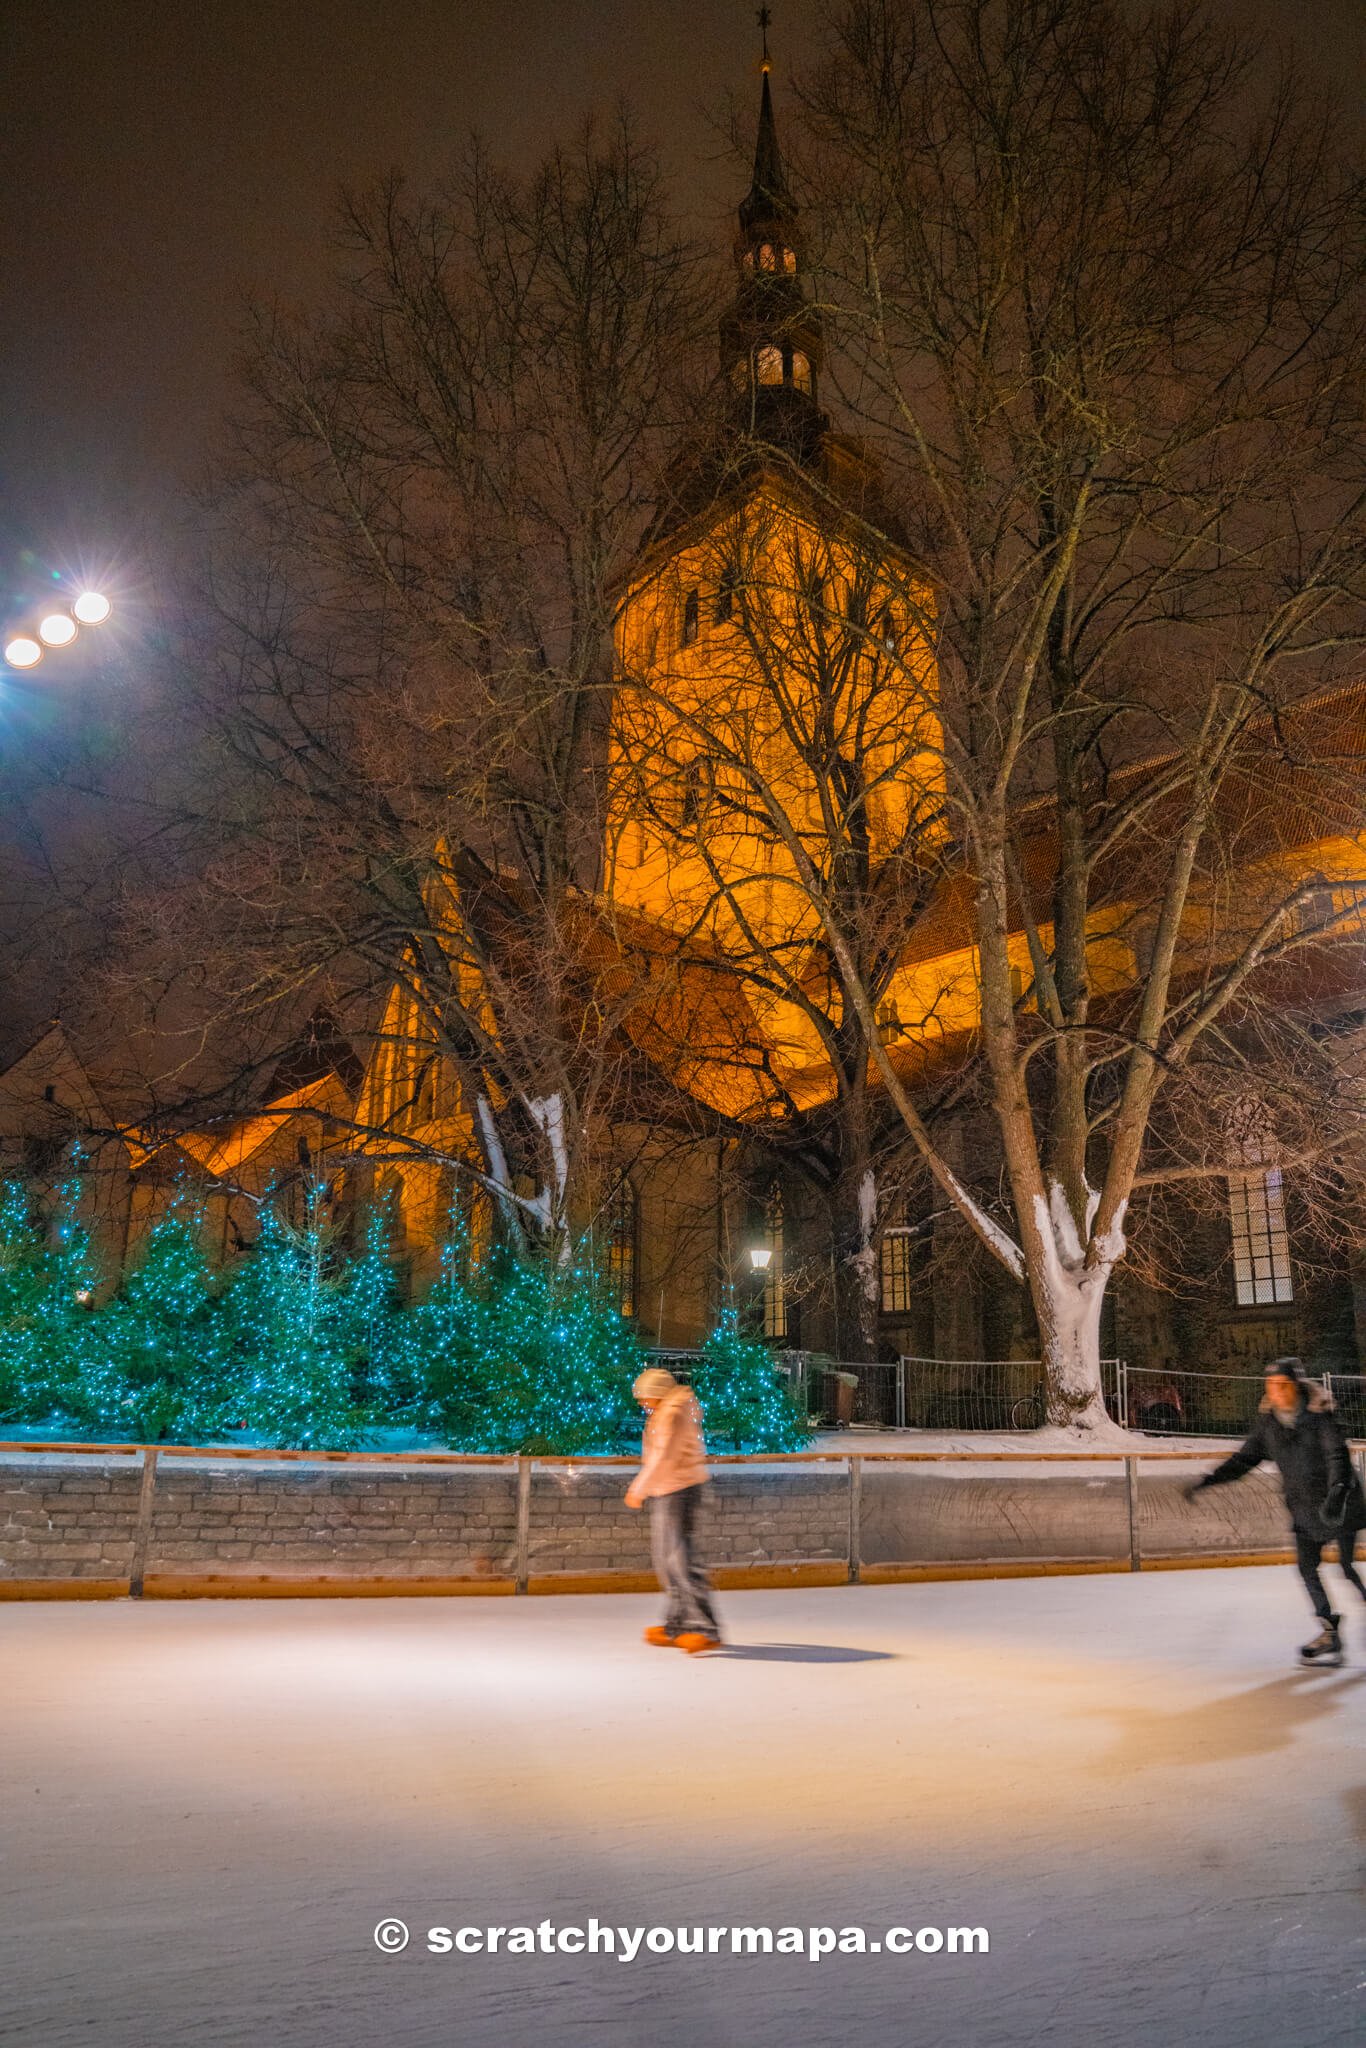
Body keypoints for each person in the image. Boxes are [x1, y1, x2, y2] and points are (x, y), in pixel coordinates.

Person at [1185, 1357, 1366, 1666]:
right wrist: (1209, 1480)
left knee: (1347, 1567)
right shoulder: (1270, 1425)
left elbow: (1337, 1456)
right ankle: (1328, 1630)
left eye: (1281, 1385)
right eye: (1270, 1386)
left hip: (1341, 1504)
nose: (1275, 1392)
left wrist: (1336, 1495)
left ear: (1295, 1386)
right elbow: (1245, 1459)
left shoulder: (1319, 1416)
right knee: (1307, 1568)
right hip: (1304, 1508)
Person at [625, 1367, 722, 1654]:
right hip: (668, 1489)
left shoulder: (673, 1413)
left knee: (681, 1561)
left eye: (644, 1397)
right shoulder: (665, 1412)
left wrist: (639, 1488)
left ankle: (704, 1627)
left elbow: (665, 1457)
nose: (642, 1403)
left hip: (681, 1489)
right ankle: (678, 1623)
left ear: (655, 1394)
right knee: (668, 1561)